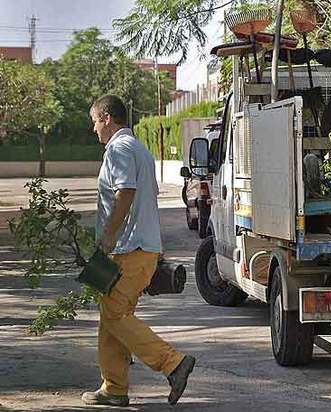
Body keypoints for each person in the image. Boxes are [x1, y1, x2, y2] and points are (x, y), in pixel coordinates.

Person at [82, 95, 195, 407]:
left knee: (115, 314)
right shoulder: (140, 149)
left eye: (94, 121)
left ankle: (172, 362)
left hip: (127, 249)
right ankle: (114, 388)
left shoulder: (118, 149)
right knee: (112, 317)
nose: (93, 129)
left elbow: (126, 193)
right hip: (140, 249)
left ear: (107, 118)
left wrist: (107, 236)